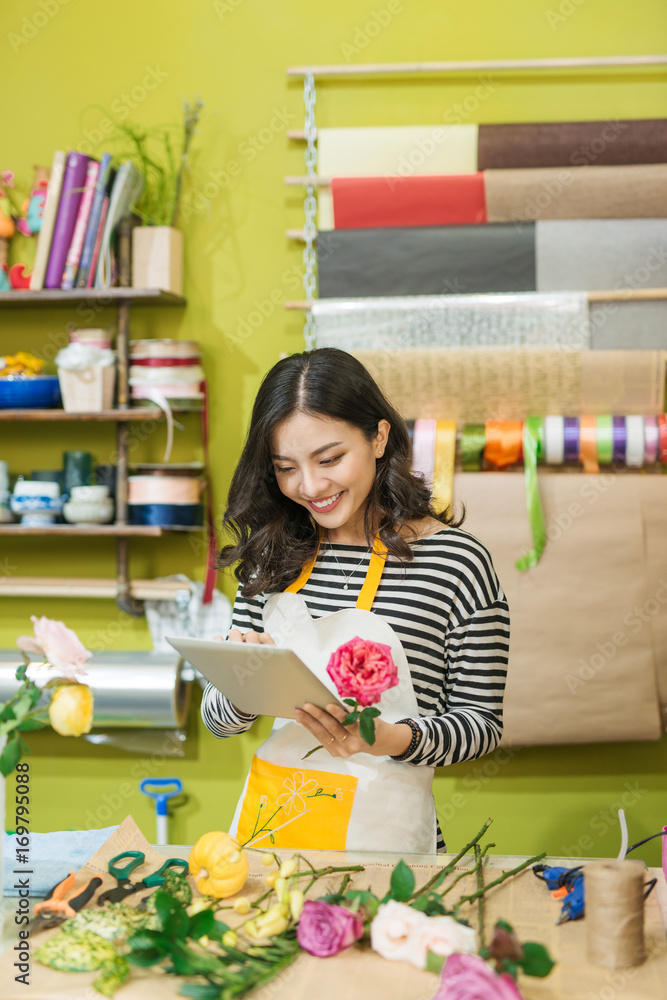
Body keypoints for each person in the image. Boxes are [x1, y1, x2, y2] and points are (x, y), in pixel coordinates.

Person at [202, 348, 509, 853]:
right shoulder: (270, 555)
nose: (311, 486)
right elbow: (218, 722)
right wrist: (240, 685)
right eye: (286, 467)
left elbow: (480, 725)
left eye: (330, 459)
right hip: (273, 831)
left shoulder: (456, 564)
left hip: (389, 842)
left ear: (379, 436)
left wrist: (390, 740)